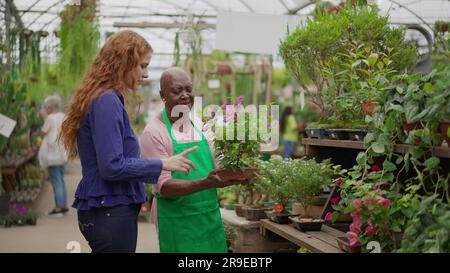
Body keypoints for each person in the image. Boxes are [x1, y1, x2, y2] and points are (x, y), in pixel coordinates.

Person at [59, 31, 197, 253]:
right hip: (110, 211)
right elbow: (112, 166)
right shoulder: (106, 101)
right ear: (123, 63)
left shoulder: (105, 98)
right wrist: (163, 164)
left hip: (106, 209)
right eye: (142, 66)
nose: (145, 73)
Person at [140, 67, 248, 253]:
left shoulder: (198, 123)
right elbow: (164, 187)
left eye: (188, 89)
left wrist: (239, 170)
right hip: (178, 221)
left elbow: (217, 161)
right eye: (177, 91)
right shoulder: (154, 132)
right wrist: (205, 183)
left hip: (208, 216)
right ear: (162, 95)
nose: (185, 95)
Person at [38, 95, 69, 216]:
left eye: (47, 107)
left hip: (52, 155)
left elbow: (43, 132)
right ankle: (63, 205)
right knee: (60, 179)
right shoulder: (63, 116)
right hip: (62, 153)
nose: (46, 109)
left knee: (56, 180)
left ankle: (58, 208)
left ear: (50, 107)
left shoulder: (50, 118)